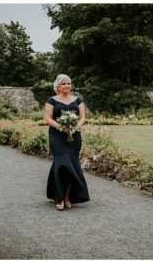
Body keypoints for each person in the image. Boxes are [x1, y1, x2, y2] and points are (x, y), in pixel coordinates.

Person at [44, 74, 89, 210]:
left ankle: (68, 195)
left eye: (69, 83)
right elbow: (48, 118)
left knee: (72, 165)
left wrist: (76, 127)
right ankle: (59, 196)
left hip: (74, 136)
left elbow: (82, 117)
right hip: (57, 136)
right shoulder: (51, 101)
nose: (67, 86)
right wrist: (61, 128)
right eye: (64, 84)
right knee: (62, 164)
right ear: (58, 86)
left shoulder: (77, 100)